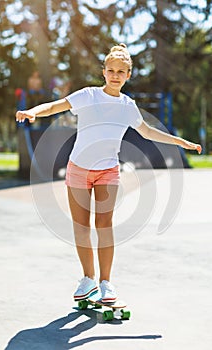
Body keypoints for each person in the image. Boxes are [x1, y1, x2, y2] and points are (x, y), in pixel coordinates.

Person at [16, 43, 202, 303]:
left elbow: (148, 131)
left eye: (121, 71)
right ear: (103, 71)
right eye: (111, 70)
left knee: (104, 226)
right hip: (78, 170)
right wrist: (33, 112)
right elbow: (54, 107)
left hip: (107, 172)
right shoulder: (88, 96)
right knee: (81, 226)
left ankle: (106, 283)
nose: (115, 75)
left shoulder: (128, 106)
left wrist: (179, 142)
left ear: (128, 75)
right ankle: (88, 279)